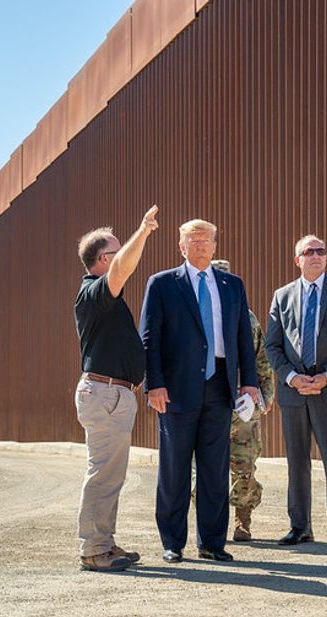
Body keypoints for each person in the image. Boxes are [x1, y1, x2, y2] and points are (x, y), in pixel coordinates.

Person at [140, 220, 260, 564]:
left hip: (219, 386)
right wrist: (154, 384)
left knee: (214, 469)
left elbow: (242, 340)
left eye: (207, 240)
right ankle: (173, 543)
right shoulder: (163, 284)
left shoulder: (232, 285)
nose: (201, 246)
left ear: (215, 245)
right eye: (194, 241)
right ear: (181, 247)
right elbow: (149, 338)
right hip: (175, 390)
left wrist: (249, 383)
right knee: (174, 468)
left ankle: (211, 542)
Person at [73, 205, 159, 572]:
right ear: (102, 259)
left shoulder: (106, 299)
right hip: (105, 392)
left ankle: (104, 543)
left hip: (115, 393)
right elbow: (124, 268)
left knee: (112, 474)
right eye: (117, 250)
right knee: (103, 473)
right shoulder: (92, 292)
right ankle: (93, 550)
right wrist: (142, 232)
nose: (123, 255)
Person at [265, 235, 327, 549]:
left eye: (321, 250)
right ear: (298, 259)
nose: (317, 256)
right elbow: (272, 345)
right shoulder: (282, 295)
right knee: (296, 461)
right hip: (294, 392)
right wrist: (292, 377)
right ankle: (300, 527)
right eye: (309, 252)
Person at [210, 259, 275, 542]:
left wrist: (266, 395)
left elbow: (262, 360)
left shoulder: (246, 318)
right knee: (204, 467)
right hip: (209, 402)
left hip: (242, 404)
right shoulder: (198, 314)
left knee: (244, 465)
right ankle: (210, 521)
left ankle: (242, 519)